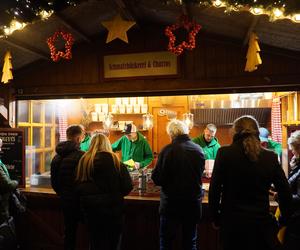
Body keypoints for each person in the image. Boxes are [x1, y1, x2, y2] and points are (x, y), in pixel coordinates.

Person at [209, 115, 292, 250]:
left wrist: (215, 218)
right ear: (257, 132)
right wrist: (284, 220)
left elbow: (214, 190)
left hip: (232, 226)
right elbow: (285, 191)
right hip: (260, 226)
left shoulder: (224, 154)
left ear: (234, 132)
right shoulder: (270, 157)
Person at [151, 119, 205, 250]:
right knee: (190, 242)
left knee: (166, 242)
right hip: (192, 204)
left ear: (171, 134)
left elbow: (157, 179)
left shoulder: (167, 150)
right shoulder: (198, 150)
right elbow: (200, 174)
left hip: (171, 205)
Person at [75, 133, 133, 250]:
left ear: (91, 144)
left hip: (90, 210)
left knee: (95, 243)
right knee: (113, 243)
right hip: (113, 210)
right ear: (107, 144)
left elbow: (78, 185)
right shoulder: (116, 162)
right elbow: (127, 187)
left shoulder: (84, 161)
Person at [50, 125, 85, 250]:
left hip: (65, 200)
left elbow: (54, 183)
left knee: (69, 232)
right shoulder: (82, 156)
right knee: (88, 233)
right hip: (81, 201)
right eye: (82, 136)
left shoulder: (56, 157)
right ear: (78, 138)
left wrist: (63, 194)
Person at [283, 130, 300, 249]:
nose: (292, 153)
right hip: (294, 220)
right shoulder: (297, 167)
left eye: (293, 150)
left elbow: (299, 198)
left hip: (297, 223)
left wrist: (281, 196)